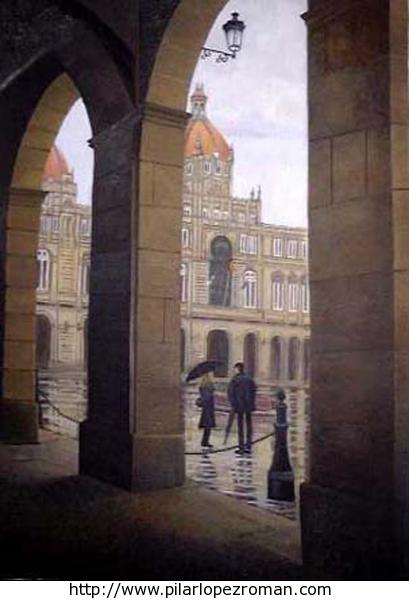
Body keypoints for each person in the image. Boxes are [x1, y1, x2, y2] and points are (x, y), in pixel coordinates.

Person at [228, 362, 257, 455]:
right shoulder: (249, 379)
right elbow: (254, 391)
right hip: (248, 406)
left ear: (237, 369)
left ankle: (241, 446)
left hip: (239, 406)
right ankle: (248, 445)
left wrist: (233, 404)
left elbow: (231, 393)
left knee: (240, 426)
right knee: (249, 425)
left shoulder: (235, 380)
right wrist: (251, 403)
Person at [198, 372, 216, 448]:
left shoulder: (202, 385)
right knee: (208, 425)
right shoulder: (208, 385)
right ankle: (205, 441)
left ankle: (205, 441)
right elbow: (207, 397)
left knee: (207, 425)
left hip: (206, 407)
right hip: (208, 407)